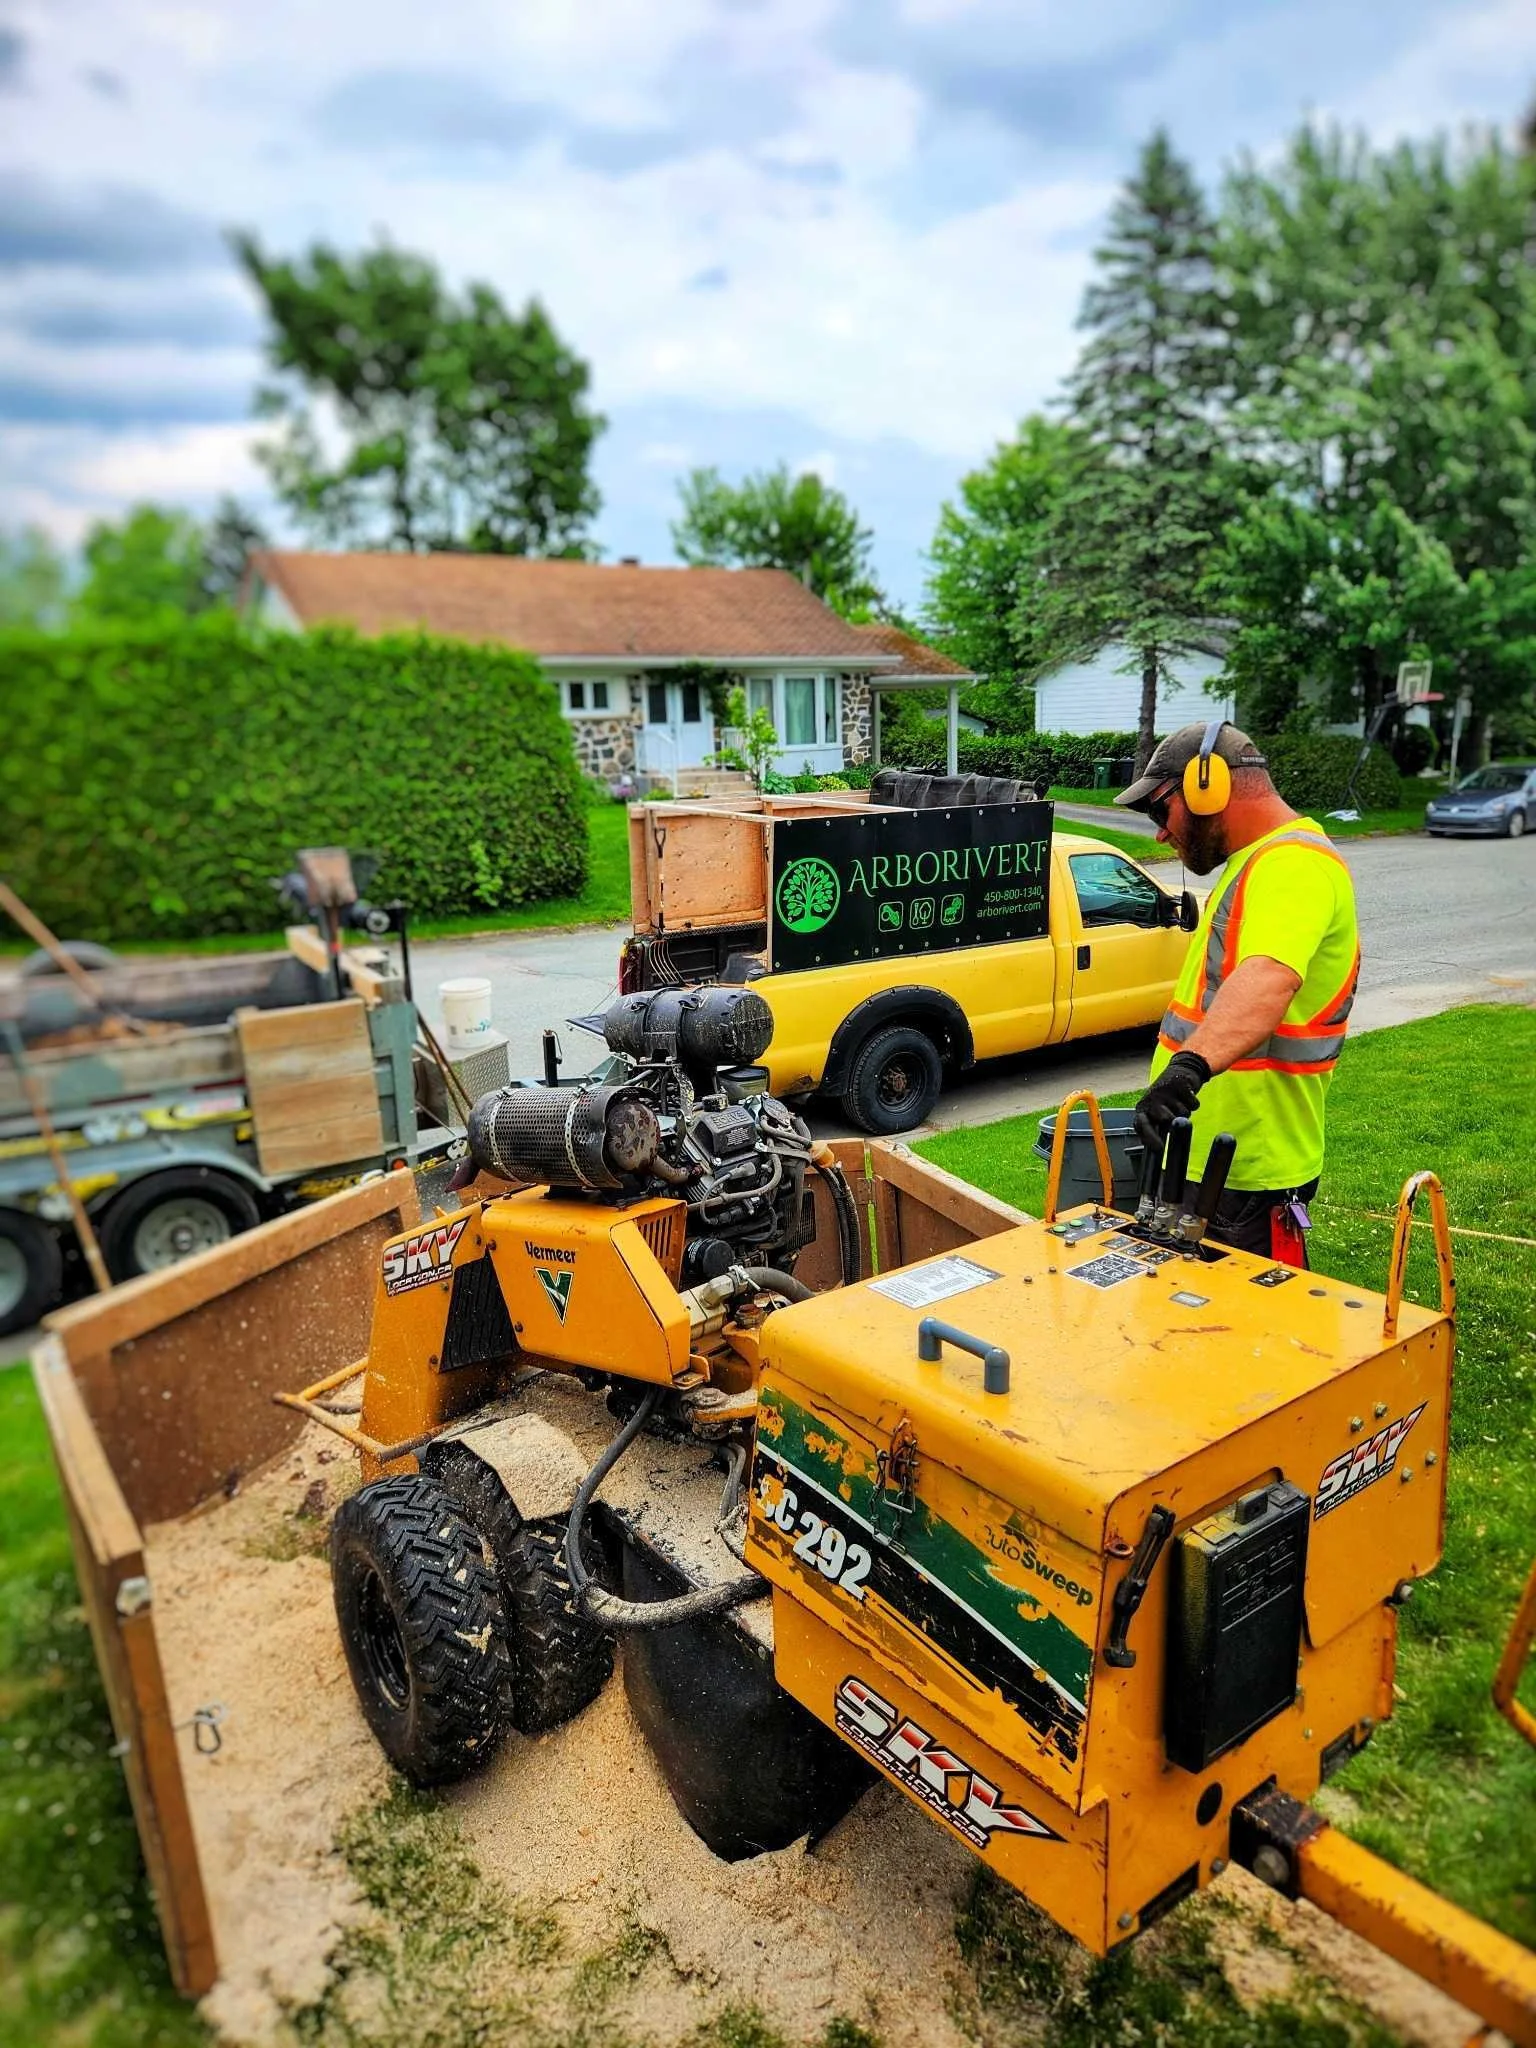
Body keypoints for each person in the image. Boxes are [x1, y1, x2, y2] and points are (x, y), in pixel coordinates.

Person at [1115, 720, 1360, 1264]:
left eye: (1160, 810)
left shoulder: (1293, 866)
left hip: (1246, 1172)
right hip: (1205, 1161)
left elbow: (1268, 978)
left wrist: (1187, 1070)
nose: (1159, 832)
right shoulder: (1255, 865)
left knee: (1249, 1340)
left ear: (1209, 786)